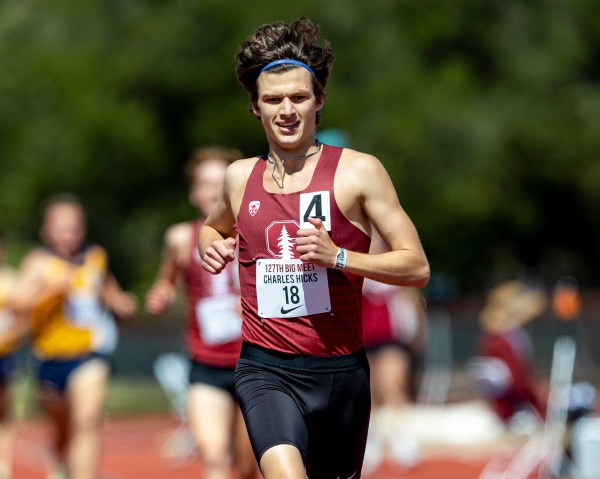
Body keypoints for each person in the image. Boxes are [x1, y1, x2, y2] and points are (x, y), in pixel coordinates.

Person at [199, 17, 429, 479]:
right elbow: (213, 227)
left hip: (341, 373)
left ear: (318, 100)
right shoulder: (240, 176)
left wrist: (338, 256)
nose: (287, 110)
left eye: (298, 97)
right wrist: (212, 245)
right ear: (255, 108)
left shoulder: (359, 172)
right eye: (273, 100)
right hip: (266, 370)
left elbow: (416, 266)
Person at [145, 147, 256, 479]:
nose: (213, 191)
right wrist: (160, 295)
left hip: (255, 364)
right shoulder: (181, 238)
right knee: (213, 458)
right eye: (205, 184)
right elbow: (164, 282)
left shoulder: (257, 233)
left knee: (250, 466)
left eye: (221, 182)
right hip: (206, 363)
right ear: (194, 193)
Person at [11, 194, 138, 479]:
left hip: (89, 355)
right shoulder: (38, 262)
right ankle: (60, 458)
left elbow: (110, 293)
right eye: (60, 226)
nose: (68, 232)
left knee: (88, 422)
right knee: (63, 428)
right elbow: (16, 303)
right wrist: (51, 288)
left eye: (73, 226)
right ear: (47, 229)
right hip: (49, 357)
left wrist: (124, 303)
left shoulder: (95, 257)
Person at [361, 232, 426, 471]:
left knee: (393, 385)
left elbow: (412, 302)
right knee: (368, 393)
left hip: (391, 339)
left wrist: (416, 336)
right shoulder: (356, 269)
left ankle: (403, 438)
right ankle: (370, 441)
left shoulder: (394, 272)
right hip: (363, 340)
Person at [468, 280, 548, 434]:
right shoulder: (500, 340)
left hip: (517, 404)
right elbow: (515, 382)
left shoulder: (505, 337)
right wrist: (539, 393)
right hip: (513, 411)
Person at [0, 231, 25, 479]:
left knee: (4, 409)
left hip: (4, 354)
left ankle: (3, 463)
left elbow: (21, 321)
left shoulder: (12, 281)